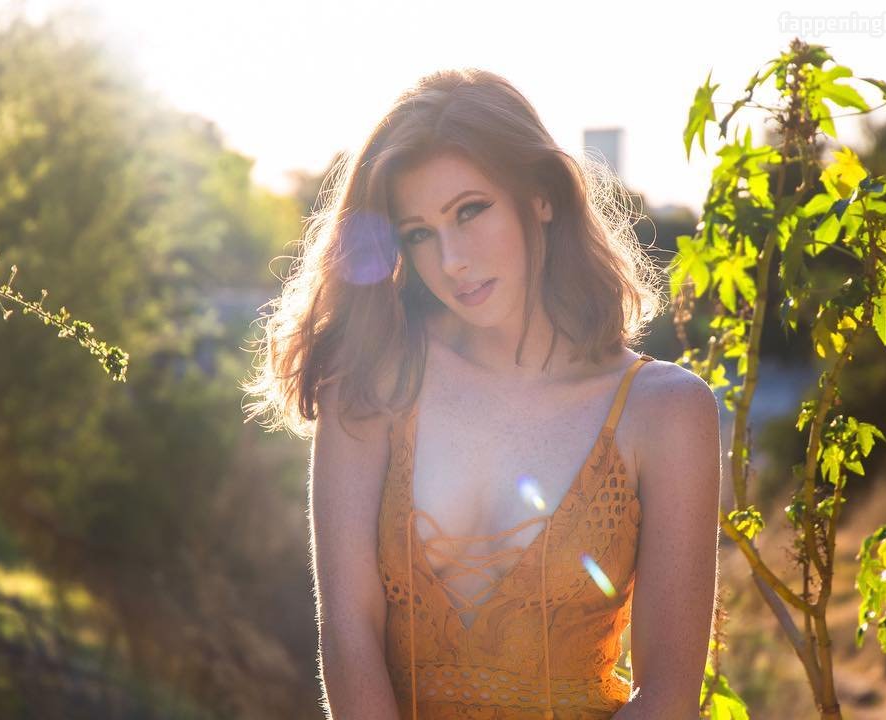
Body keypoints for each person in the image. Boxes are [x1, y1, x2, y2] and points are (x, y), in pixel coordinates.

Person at [243, 67, 721, 720]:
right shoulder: (370, 386)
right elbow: (349, 633)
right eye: (419, 233)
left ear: (541, 196)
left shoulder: (664, 412)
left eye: (470, 211)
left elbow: (667, 698)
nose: (452, 261)